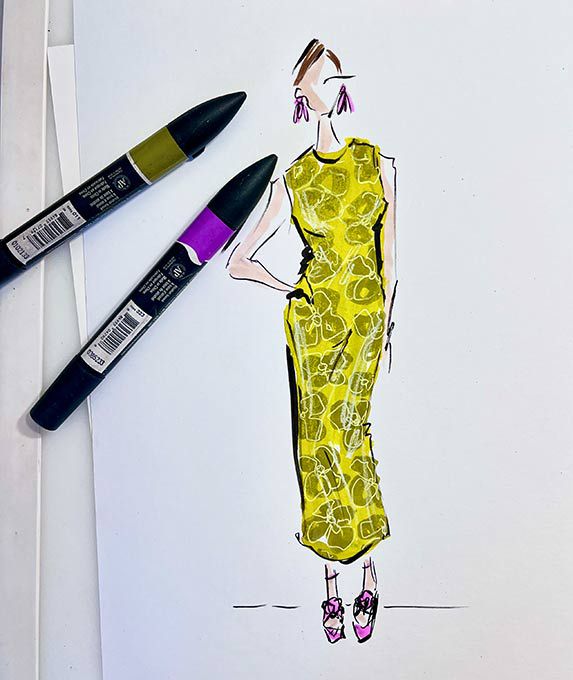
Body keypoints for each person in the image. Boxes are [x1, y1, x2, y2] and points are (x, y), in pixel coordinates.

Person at [227, 38, 397, 644]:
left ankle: (367, 576)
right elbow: (238, 260)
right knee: (316, 445)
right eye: (323, 79)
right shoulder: (294, 179)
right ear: (302, 93)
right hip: (313, 327)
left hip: (365, 322)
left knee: (353, 434)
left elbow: (390, 261)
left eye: (338, 77)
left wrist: (388, 324)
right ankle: (333, 585)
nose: (334, 87)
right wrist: (292, 290)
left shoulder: (378, 163)